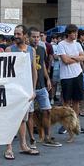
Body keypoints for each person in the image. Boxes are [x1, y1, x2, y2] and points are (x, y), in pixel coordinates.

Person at [4, 25, 41, 158]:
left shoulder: (31, 50)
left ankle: (23, 145)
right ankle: (8, 148)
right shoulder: (9, 49)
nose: (16, 36)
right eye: (15, 33)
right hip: (13, 90)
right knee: (11, 118)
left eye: (19, 34)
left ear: (25, 35)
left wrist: (33, 89)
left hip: (26, 90)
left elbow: (34, 71)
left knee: (23, 119)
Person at [29, 27, 59, 147]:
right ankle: (31, 139)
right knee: (30, 114)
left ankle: (47, 137)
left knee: (47, 110)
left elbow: (42, 65)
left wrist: (47, 79)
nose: (36, 39)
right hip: (29, 87)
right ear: (28, 37)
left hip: (41, 85)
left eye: (38, 37)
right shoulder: (25, 50)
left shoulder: (42, 49)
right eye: (34, 37)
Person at [56, 24, 84, 134]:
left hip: (77, 74)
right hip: (66, 76)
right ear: (68, 33)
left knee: (76, 101)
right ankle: (65, 125)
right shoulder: (61, 44)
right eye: (74, 33)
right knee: (66, 102)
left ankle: (75, 124)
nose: (75, 35)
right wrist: (77, 58)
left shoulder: (78, 44)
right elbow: (65, 61)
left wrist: (72, 57)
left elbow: (83, 58)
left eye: (76, 33)